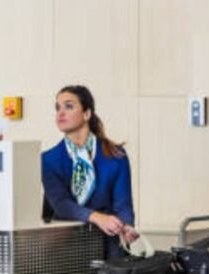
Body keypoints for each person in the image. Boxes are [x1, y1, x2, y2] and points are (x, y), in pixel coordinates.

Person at [41, 85, 138, 258]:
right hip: (67, 246)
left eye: (69, 106)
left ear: (87, 114)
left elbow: (123, 204)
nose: (60, 113)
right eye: (57, 107)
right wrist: (98, 218)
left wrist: (127, 226)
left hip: (109, 244)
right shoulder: (48, 159)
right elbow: (62, 205)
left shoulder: (115, 154)